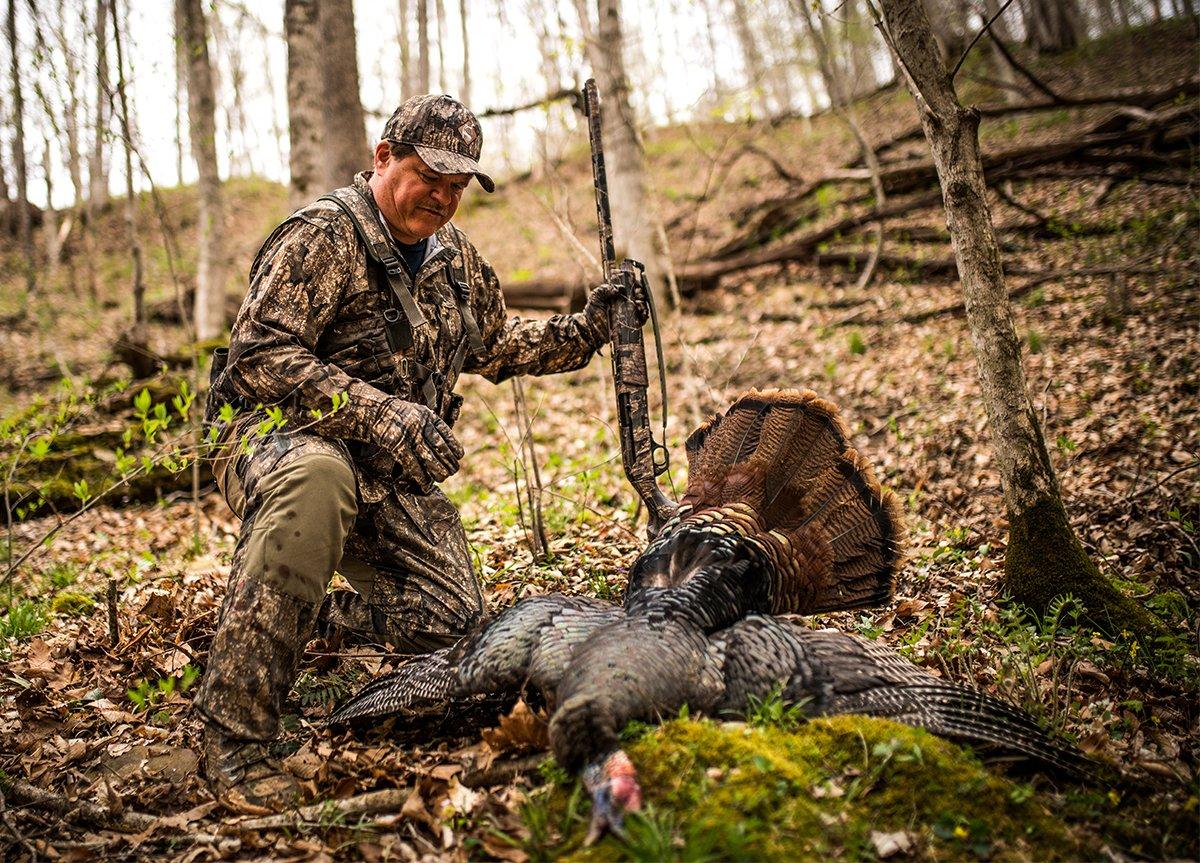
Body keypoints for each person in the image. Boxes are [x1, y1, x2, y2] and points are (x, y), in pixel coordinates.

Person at [194, 94, 645, 812]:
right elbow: (257, 357)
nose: (442, 195)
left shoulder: (455, 258)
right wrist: (382, 412)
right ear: (383, 159)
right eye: (429, 174)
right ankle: (234, 737)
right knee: (317, 476)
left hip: (380, 466)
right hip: (272, 438)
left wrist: (591, 327)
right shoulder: (323, 236)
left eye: (458, 184)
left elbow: (497, 344)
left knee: (451, 621)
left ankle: (275, 620)